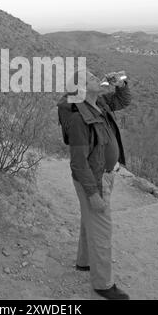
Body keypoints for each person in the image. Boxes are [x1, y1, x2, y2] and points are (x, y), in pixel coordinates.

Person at [57, 69, 131, 300]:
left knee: (91, 221)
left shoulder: (99, 102)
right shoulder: (79, 119)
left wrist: (120, 83)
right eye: (89, 78)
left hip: (104, 174)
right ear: (81, 89)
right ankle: (103, 285)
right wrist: (93, 193)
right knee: (102, 231)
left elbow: (123, 100)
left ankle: (84, 262)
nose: (95, 78)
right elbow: (78, 163)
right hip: (94, 180)